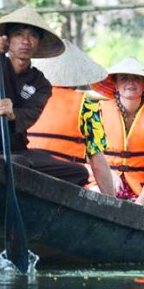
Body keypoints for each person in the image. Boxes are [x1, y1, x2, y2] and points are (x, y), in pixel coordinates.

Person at [0, 6, 89, 186]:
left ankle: (36, 202)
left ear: (39, 43)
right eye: (19, 34)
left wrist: (13, 114)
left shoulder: (40, 83)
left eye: (33, 36)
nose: (26, 41)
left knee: (77, 172)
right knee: (17, 165)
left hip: (14, 151)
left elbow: (29, 116)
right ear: (7, 40)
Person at [27, 40, 116, 196]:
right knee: (81, 173)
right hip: (64, 183)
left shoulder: (26, 96)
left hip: (24, 172)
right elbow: (98, 164)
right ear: (77, 76)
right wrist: (112, 200)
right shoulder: (86, 107)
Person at [90, 57, 144, 210]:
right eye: (124, 78)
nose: (130, 82)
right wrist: (109, 175)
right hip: (102, 181)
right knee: (95, 199)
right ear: (115, 84)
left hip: (143, 191)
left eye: (136, 78)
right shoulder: (97, 112)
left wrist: (139, 204)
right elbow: (86, 158)